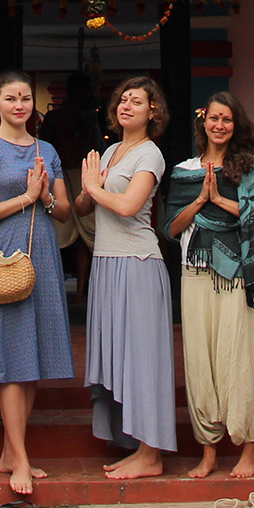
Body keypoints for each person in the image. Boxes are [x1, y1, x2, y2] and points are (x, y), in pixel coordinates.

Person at [0, 71, 73, 496]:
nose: (19, 106)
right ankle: (21, 460)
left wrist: (45, 195)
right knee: (12, 354)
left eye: (26, 98)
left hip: (43, 251)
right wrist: (26, 198)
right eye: (11, 98)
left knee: (34, 356)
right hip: (5, 251)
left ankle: (12, 452)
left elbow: (64, 211)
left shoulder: (46, 149)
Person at [165, 91, 254, 480]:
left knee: (239, 356)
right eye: (213, 118)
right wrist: (199, 201)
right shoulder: (184, 170)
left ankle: (249, 447)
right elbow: (171, 227)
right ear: (203, 122)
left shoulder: (250, 168)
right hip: (194, 272)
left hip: (235, 275)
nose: (219, 125)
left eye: (227, 119)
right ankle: (208, 451)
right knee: (201, 361)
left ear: (236, 124)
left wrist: (221, 201)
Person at [78, 75, 176, 479]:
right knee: (118, 356)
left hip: (137, 263)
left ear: (152, 111)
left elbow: (128, 205)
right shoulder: (113, 149)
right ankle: (133, 444)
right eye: (122, 99)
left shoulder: (150, 154)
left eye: (137, 101)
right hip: (105, 261)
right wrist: (87, 189)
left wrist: (93, 188)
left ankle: (151, 455)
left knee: (141, 359)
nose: (126, 106)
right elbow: (88, 206)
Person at [38, 69, 102, 301]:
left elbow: (96, 148)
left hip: (85, 176)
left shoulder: (90, 118)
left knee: (88, 234)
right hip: (59, 176)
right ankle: (52, 289)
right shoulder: (56, 118)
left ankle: (83, 292)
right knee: (57, 232)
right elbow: (45, 147)